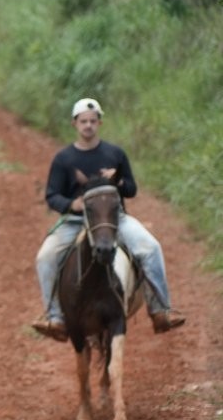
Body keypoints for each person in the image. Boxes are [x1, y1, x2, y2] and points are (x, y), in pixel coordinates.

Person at [32, 97, 185, 342]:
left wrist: (119, 180)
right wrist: (71, 204)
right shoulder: (64, 159)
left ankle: (160, 310)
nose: (88, 125)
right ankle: (55, 317)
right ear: (74, 124)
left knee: (151, 247)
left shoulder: (115, 153)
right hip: (75, 221)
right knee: (45, 257)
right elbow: (52, 196)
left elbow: (131, 189)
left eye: (93, 121)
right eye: (84, 121)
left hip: (114, 220)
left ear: (99, 123)